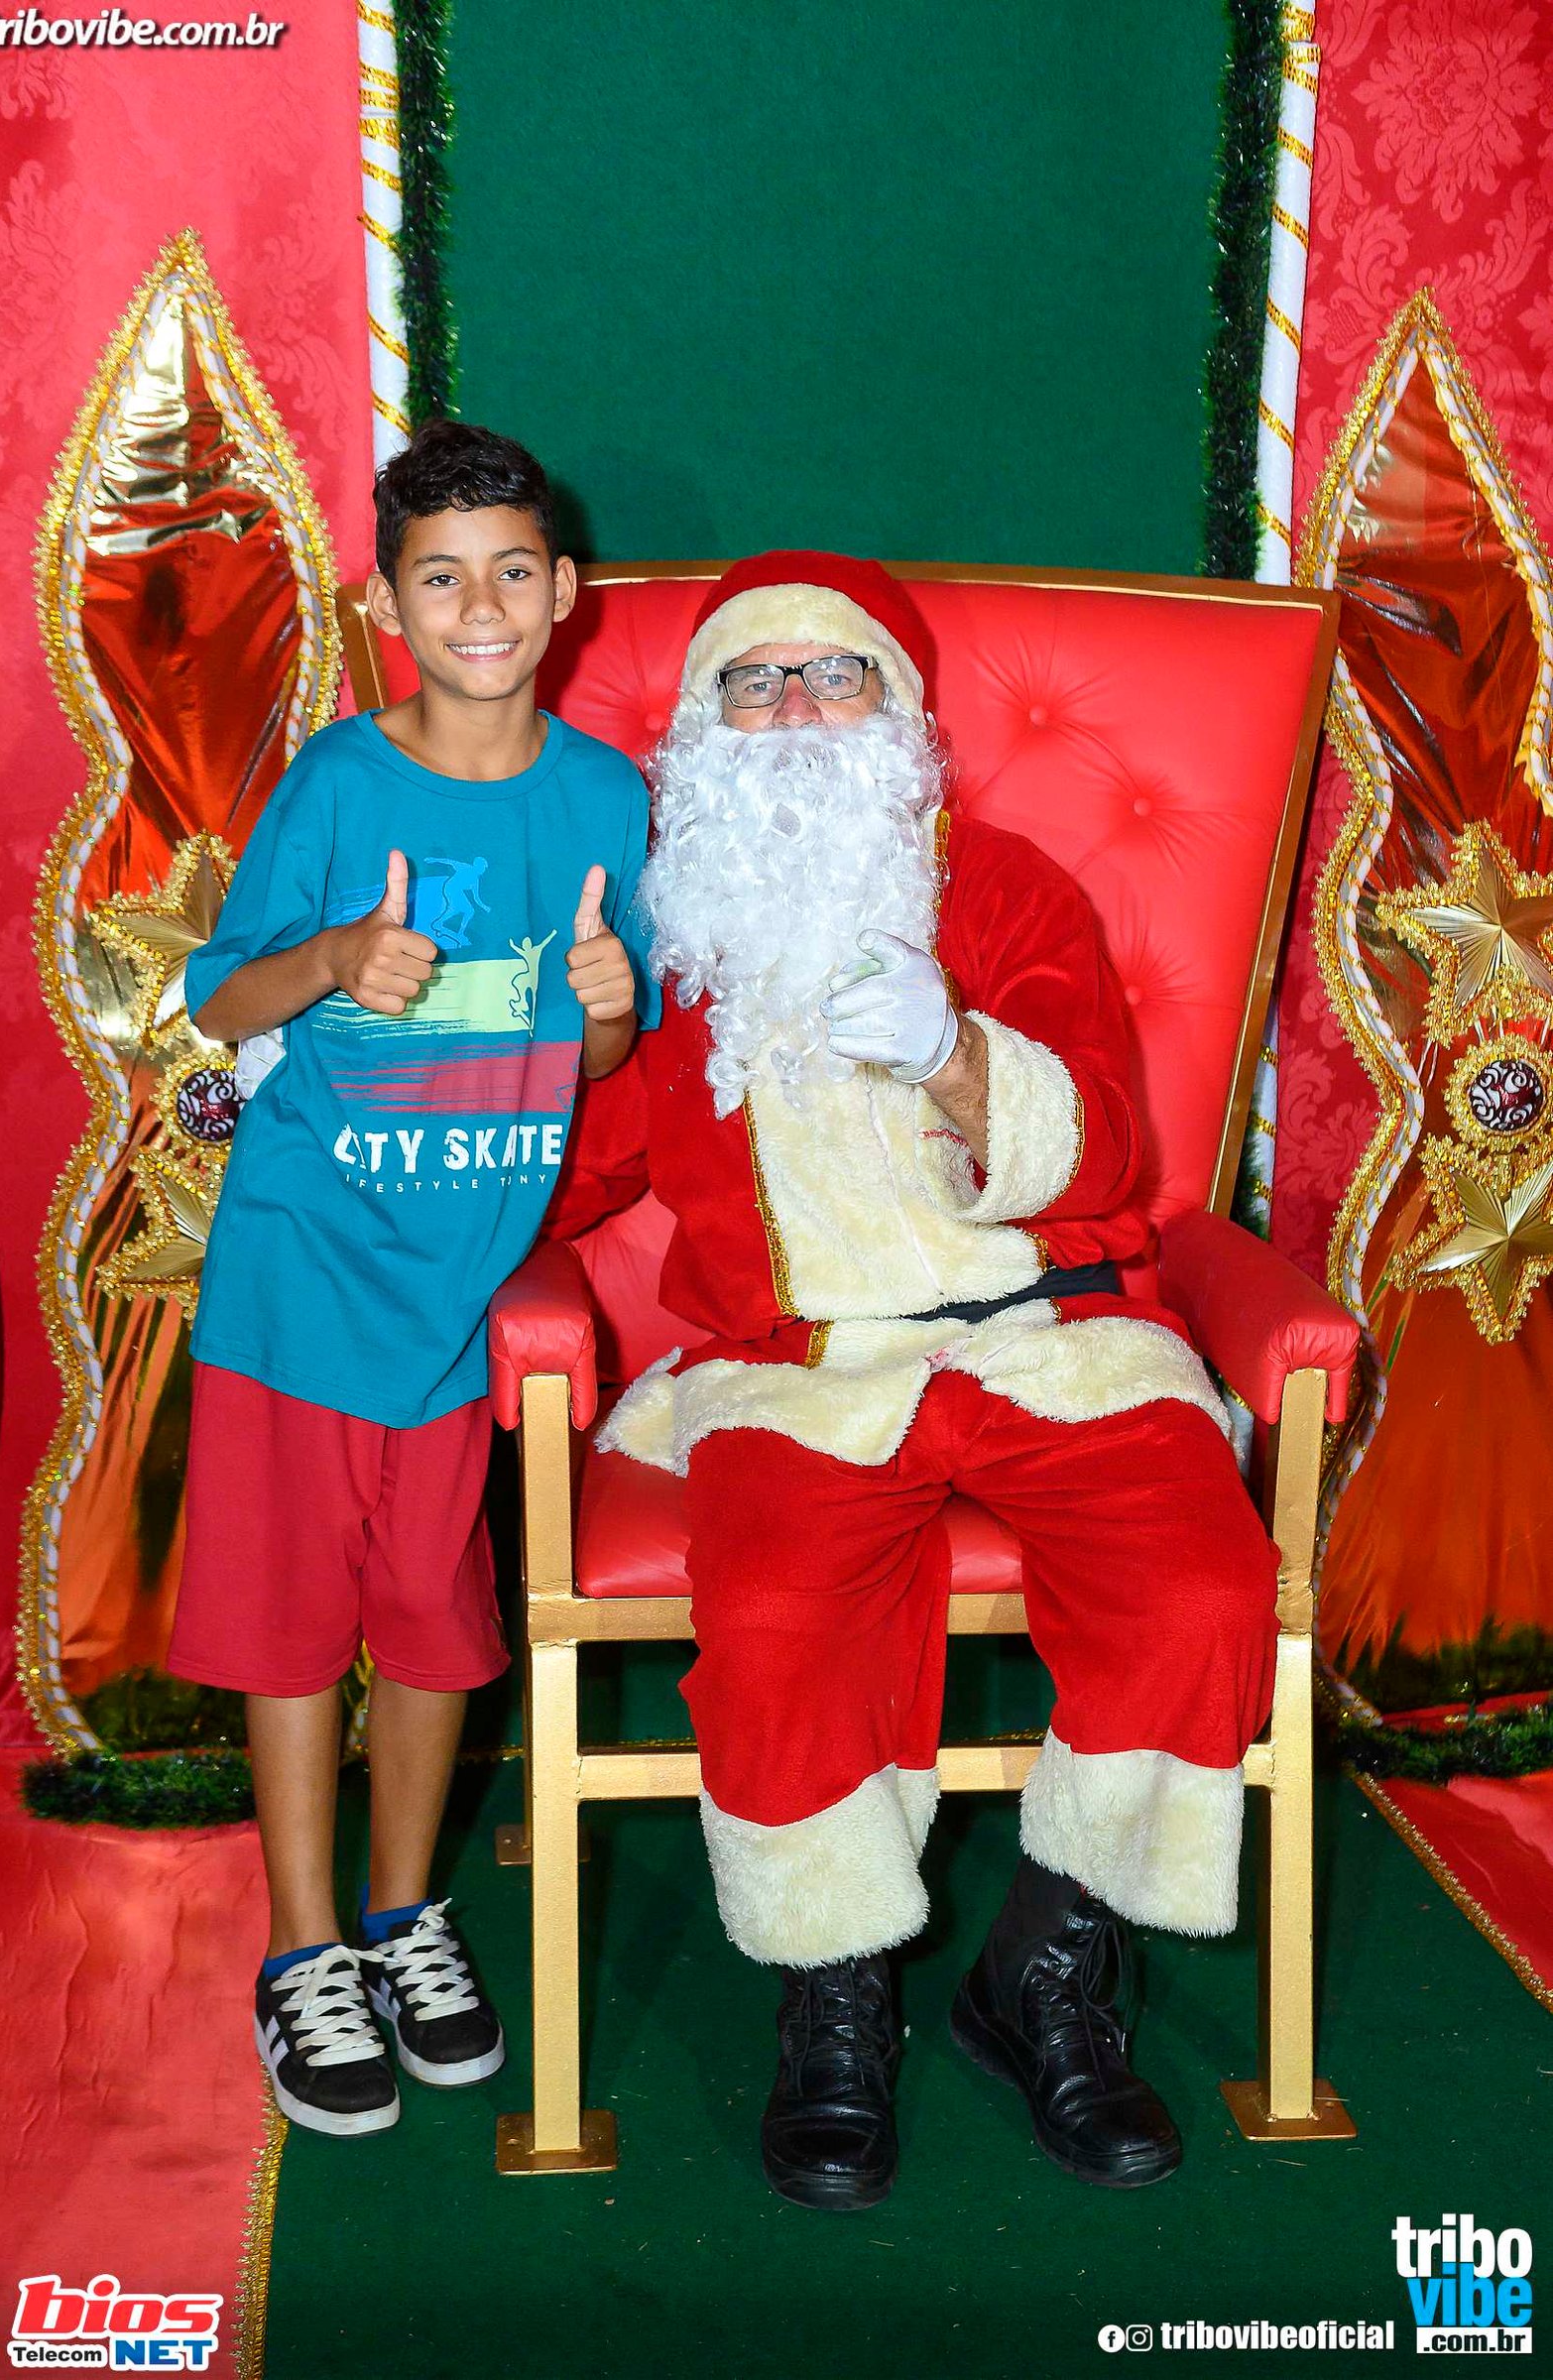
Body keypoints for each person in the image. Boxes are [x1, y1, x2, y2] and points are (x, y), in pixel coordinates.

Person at [549, 551, 1280, 2211]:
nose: (797, 710)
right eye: (754, 682)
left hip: (1048, 1330)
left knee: (1200, 1591)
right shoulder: (667, 928)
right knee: (776, 1615)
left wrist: (955, 1051)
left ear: (901, 711)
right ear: (704, 727)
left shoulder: (1007, 891)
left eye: (836, 674)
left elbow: (1108, 1143)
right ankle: (837, 1993)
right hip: (804, 1367)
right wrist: (424, 1098)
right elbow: (571, 1168)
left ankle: (1043, 1968)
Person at [169, 420, 659, 2137]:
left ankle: (401, 1919)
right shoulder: (337, 781)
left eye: (512, 571)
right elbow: (218, 1002)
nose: (482, 606)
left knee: (443, 1629)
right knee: (292, 1624)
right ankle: (303, 1947)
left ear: (565, 589)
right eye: (441, 578)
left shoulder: (607, 798)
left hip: (464, 1296)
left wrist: (607, 1007)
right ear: (388, 604)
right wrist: (332, 957)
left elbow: (598, 1053)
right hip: (302, 1278)